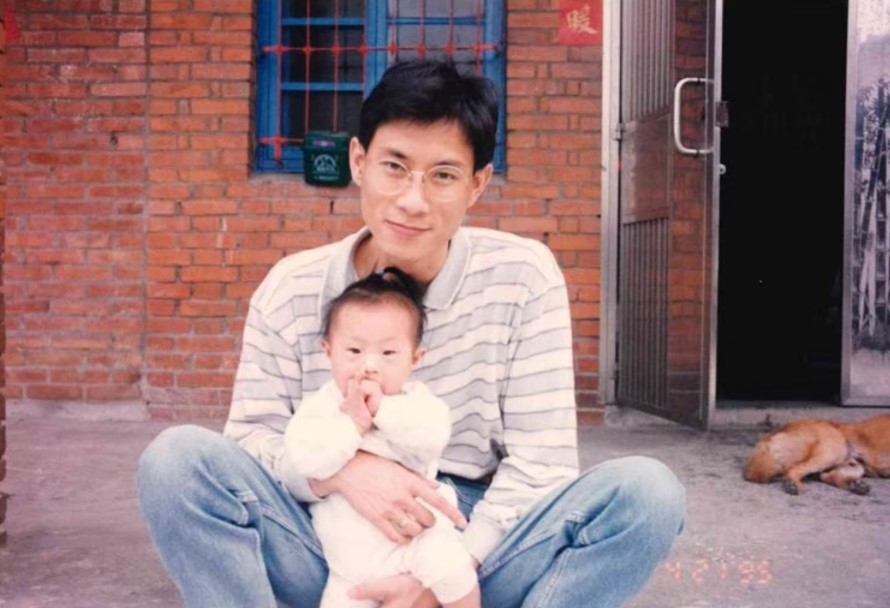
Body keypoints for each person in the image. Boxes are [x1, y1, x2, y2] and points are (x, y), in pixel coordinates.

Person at [137, 58, 686, 608]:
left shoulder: (522, 276)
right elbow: (251, 443)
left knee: (647, 494)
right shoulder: (292, 287)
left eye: (442, 175)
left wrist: (442, 580)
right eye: (394, 167)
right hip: (329, 544)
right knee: (177, 462)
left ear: (476, 185)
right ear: (359, 161)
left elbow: (542, 462)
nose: (412, 200)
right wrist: (348, 473)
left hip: (476, 546)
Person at [287, 267, 479, 608]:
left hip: (417, 539)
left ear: (415, 358)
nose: (370, 365)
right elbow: (306, 460)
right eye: (354, 351)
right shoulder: (321, 408)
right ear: (328, 351)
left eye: (388, 354)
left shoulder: (415, 402)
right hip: (348, 565)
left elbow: (433, 436)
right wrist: (352, 426)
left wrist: (381, 411)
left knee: (453, 568)